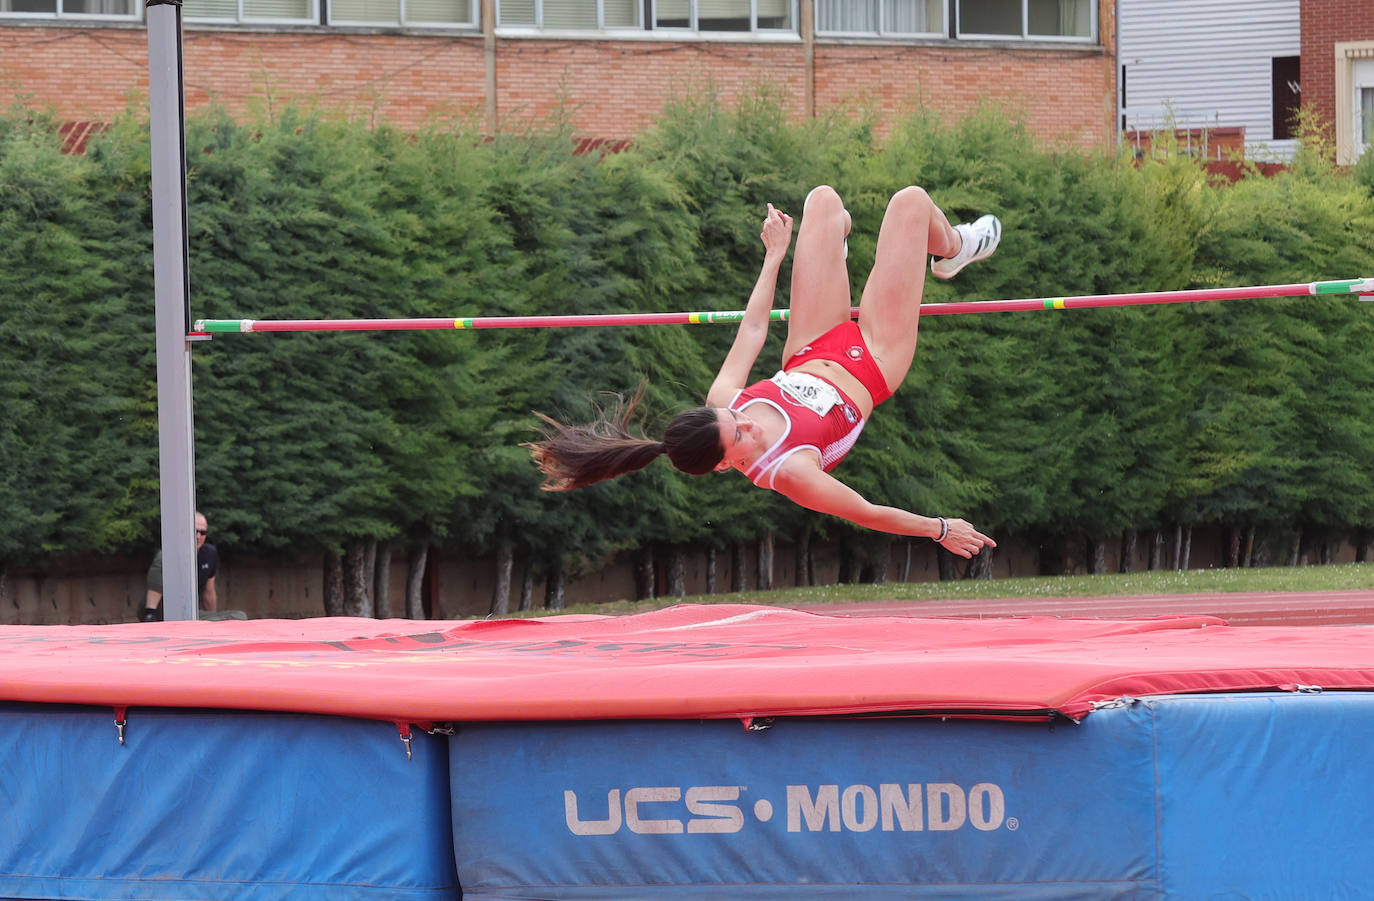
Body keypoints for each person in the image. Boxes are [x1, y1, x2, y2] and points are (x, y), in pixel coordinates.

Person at [526, 185, 999, 559]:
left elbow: (753, 328)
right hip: (873, 361)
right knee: (911, 203)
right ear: (724, 465)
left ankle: (837, 238)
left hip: (811, 346)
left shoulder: (724, 401)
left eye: (737, 418)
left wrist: (774, 253)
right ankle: (956, 247)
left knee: (823, 201)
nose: (747, 419)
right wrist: (939, 529)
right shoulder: (787, 471)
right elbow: (866, 512)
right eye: (741, 434)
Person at [140, 511, 218, 621]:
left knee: (237, 616)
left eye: (203, 532)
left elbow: (209, 593)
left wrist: (213, 621)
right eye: (194, 531)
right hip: (163, 610)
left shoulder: (209, 554)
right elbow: (154, 590)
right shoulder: (168, 555)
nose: (198, 536)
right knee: (237, 616)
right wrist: (150, 614)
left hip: (190, 612)